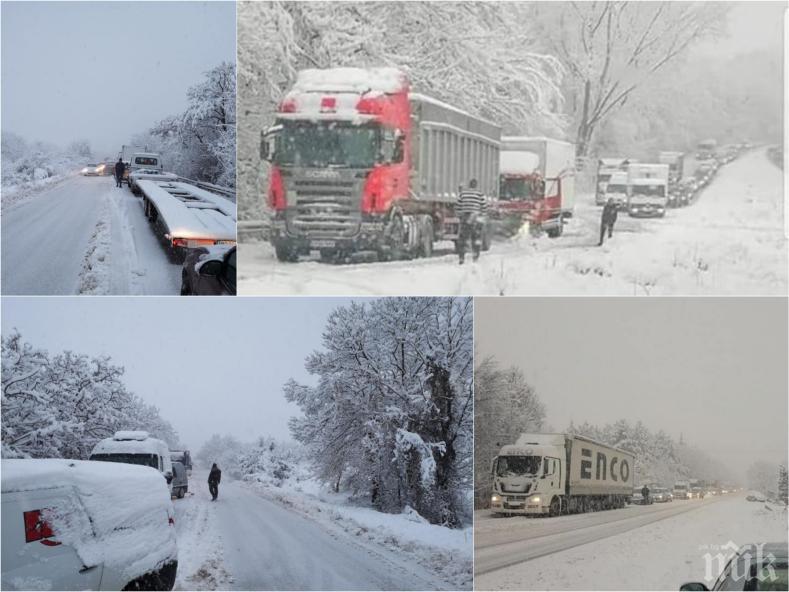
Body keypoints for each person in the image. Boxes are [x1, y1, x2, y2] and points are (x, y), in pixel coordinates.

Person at [456, 178, 488, 264]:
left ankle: (461, 258)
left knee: (462, 239)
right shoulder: (480, 194)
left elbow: (458, 206)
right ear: (476, 185)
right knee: (476, 238)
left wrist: (460, 216)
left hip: (465, 217)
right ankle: (475, 257)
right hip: (476, 217)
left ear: (469, 185)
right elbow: (484, 206)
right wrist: (482, 215)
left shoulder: (463, 194)